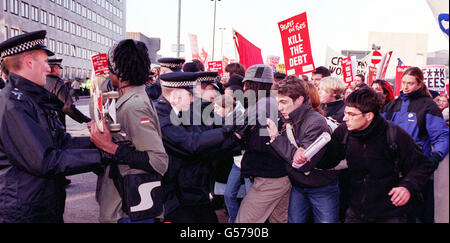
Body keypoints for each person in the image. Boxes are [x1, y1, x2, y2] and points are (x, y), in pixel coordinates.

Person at [0, 30, 105, 223]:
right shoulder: (12, 105)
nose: (49, 69)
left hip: (41, 205)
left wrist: (98, 143)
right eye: (46, 62)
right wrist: (105, 155)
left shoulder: (33, 99)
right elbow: (45, 160)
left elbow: (61, 142)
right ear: (29, 62)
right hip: (24, 213)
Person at [294, 87, 435, 223]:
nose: (345, 118)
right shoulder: (344, 132)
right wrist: (308, 155)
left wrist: (407, 187)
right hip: (356, 212)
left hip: (391, 213)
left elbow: (423, 165)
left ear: (369, 116)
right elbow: (328, 161)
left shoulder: (394, 134)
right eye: (345, 113)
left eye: (351, 114)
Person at [89, 39, 169, 224]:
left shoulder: (135, 106)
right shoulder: (129, 99)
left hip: (129, 213)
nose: (108, 73)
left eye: (110, 68)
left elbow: (159, 161)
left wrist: (111, 148)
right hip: (126, 206)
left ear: (119, 72)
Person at [154, 72, 239, 223]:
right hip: (174, 195)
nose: (193, 99)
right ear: (175, 96)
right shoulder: (163, 117)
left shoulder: (174, 112)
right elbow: (191, 144)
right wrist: (226, 130)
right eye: (190, 95)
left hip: (184, 191)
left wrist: (233, 138)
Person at [381, 67, 449, 223]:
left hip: (415, 167)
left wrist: (435, 157)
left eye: (410, 83)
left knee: (413, 214)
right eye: (403, 82)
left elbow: (442, 136)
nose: (405, 86)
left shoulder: (428, 105)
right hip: (390, 167)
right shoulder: (392, 105)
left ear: (419, 84)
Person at [267, 77, 339, 223]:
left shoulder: (315, 122)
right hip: (298, 186)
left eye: (284, 102)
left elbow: (303, 164)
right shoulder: (287, 119)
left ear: (299, 100)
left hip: (322, 188)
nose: (279, 107)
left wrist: (276, 138)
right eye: (277, 102)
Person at [235, 64, 291, 223]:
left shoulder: (263, 106)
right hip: (278, 174)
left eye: (247, 84)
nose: (244, 88)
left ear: (254, 85)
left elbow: (263, 143)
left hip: (269, 176)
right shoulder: (269, 103)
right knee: (278, 220)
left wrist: (241, 140)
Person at [45, 58, 91, 128]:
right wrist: (86, 119)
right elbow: (67, 107)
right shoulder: (57, 83)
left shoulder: (39, 81)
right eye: (60, 69)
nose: (60, 71)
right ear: (55, 68)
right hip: (56, 125)